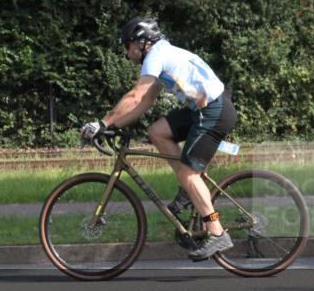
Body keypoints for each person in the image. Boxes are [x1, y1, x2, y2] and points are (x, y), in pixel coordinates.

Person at [80, 16, 237, 260]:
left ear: (141, 43)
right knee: (158, 131)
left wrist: (101, 123)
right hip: (205, 108)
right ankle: (188, 189)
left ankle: (216, 231)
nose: (127, 52)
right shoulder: (161, 55)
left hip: (213, 111)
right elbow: (144, 101)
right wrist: (112, 125)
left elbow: (135, 96)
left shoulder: (156, 56)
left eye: (128, 46)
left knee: (190, 173)